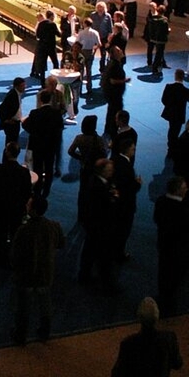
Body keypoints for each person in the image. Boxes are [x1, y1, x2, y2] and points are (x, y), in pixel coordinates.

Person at [10, 196, 64, 345]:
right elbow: (61, 243)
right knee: (45, 305)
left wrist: (15, 270)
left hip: (26, 275)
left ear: (32, 209)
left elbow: (15, 254)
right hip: (45, 273)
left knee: (23, 308)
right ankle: (44, 332)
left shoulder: (24, 229)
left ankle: (20, 336)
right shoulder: (54, 226)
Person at [111, 297, 183, 377]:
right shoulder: (169, 339)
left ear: (139, 317)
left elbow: (117, 374)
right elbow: (178, 364)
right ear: (157, 316)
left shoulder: (128, 344)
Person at [78, 157, 120, 293]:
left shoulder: (96, 181)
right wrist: (113, 198)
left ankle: (84, 275)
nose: (111, 172)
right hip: (99, 225)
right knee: (101, 255)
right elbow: (103, 205)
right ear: (102, 171)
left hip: (94, 225)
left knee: (89, 251)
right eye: (109, 170)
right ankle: (106, 285)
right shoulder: (98, 186)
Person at [0, 141, 32, 266]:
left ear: (6, 152)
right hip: (17, 209)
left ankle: (1, 256)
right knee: (15, 233)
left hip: (1, 207)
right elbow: (27, 192)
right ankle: (14, 257)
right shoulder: (24, 172)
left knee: (1, 232)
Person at [153, 176, 189, 317]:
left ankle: (164, 296)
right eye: (185, 187)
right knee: (176, 276)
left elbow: (157, 219)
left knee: (163, 272)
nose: (187, 189)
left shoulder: (161, 201)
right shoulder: (183, 209)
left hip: (164, 245)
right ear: (178, 190)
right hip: (179, 249)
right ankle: (169, 304)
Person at [22, 90, 64, 197]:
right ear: (50, 100)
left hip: (37, 146)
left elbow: (25, 125)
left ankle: (37, 189)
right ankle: (46, 191)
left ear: (40, 100)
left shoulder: (34, 113)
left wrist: (34, 132)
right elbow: (60, 128)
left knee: (37, 168)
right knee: (49, 168)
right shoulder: (56, 114)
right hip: (51, 146)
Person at [67, 115, 107, 222]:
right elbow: (104, 154)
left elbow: (70, 151)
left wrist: (81, 158)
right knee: (94, 192)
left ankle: (81, 214)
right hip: (96, 170)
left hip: (84, 167)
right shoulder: (98, 139)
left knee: (82, 191)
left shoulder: (79, 138)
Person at [112, 139, 142, 263]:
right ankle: (118, 254)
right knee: (123, 231)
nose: (134, 151)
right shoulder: (127, 167)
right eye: (133, 149)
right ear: (127, 150)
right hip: (125, 205)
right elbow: (129, 188)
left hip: (115, 202)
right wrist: (138, 184)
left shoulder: (114, 159)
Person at [101, 45, 130, 138]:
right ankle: (113, 131)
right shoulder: (114, 65)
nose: (121, 51)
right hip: (114, 94)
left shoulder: (115, 63)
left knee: (111, 111)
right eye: (118, 51)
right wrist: (124, 81)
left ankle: (108, 129)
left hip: (112, 94)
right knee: (115, 112)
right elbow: (112, 80)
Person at [161, 69, 189, 156]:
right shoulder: (185, 90)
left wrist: (169, 106)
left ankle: (171, 148)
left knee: (171, 130)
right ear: (183, 77)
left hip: (170, 113)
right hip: (179, 114)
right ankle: (173, 148)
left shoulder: (168, 87)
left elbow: (163, 100)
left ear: (175, 76)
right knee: (175, 131)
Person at [0, 77, 26, 148]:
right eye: (22, 86)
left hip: (16, 122)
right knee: (10, 144)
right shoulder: (12, 95)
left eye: (25, 85)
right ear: (17, 86)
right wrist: (6, 120)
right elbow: (0, 109)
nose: (25, 87)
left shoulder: (17, 93)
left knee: (13, 143)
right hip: (11, 124)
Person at [34, 10, 61, 87]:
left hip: (42, 46)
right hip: (51, 46)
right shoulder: (53, 24)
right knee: (55, 63)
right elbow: (58, 34)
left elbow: (38, 35)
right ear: (52, 16)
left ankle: (42, 82)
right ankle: (55, 80)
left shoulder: (41, 24)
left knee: (42, 64)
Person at [75, 17, 102, 95]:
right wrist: (94, 50)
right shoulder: (95, 32)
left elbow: (77, 43)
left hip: (82, 52)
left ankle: (79, 89)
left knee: (80, 71)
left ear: (85, 24)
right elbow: (99, 44)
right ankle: (89, 88)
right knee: (89, 71)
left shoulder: (81, 33)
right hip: (90, 52)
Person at [91, 1, 113, 73]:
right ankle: (89, 67)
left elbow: (110, 28)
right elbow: (90, 26)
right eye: (99, 7)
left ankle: (102, 69)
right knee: (91, 54)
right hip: (94, 38)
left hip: (104, 38)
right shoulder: (93, 15)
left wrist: (109, 40)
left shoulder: (108, 16)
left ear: (104, 8)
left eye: (102, 7)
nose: (100, 9)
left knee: (103, 54)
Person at [148, 5, 170, 76]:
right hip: (161, 39)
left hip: (153, 38)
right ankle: (155, 67)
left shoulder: (152, 19)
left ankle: (162, 63)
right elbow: (166, 31)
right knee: (159, 53)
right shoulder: (164, 20)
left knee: (158, 52)